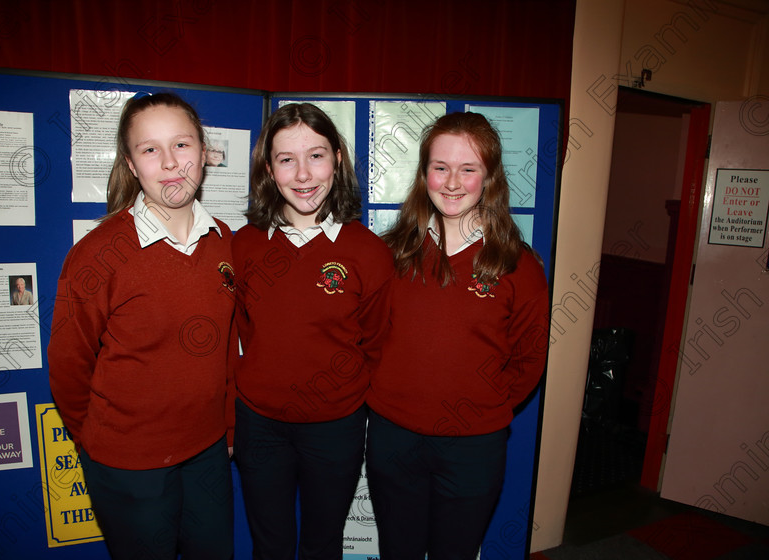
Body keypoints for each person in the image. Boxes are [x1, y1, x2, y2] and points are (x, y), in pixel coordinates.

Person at [47, 92, 236, 560]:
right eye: (150, 149)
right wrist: (96, 441)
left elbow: (229, 348)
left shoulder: (225, 242)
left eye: (182, 144)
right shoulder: (96, 254)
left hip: (209, 452)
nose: (171, 163)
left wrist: (228, 430)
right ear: (131, 164)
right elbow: (68, 365)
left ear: (203, 153)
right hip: (129, 464)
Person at [366, 112, 550, 559]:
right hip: (394, 440)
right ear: (424, 173)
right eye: (440, 167)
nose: (452, 182)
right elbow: (365, 339)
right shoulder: (390, 254)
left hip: (473, 448)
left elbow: (529, 358)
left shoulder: (516, 264)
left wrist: (483, 408)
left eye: (468, 169)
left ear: (488, 177)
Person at [232, 102, 393, 560]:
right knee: (271, 546)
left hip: (335, 426)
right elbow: (243, 331)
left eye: (316, 155)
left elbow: (377, 343)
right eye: (287, 159)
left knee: (323, 544)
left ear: (338, 159)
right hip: (259, 425)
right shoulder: (243, 245)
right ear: (269, 169)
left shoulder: (367, 251)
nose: (303, 175)